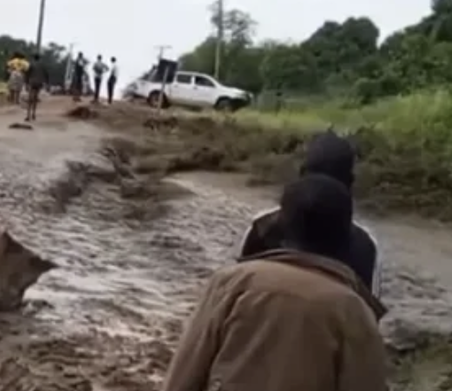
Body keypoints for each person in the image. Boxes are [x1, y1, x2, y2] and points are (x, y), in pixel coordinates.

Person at [161, 174, 388, 391]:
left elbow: (187, 369)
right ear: (347, 239)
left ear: (279, 227)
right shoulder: (354, 310)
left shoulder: (232, 282)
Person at [237, 130, 383, 302]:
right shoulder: (366, 245)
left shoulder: (261, 227)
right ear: (351, 182)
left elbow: (235, 287)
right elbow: (369, 315)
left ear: (301, 172)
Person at [24, 53, 47, 121]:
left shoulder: (31, 64)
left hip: (32, 82)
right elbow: (46, 74)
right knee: (35, 99)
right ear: (39, 58)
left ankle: (28, 115)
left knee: (30, 99)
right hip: (39, 83)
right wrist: (46, 82)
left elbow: (27, 74)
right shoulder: (42, 65)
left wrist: (26, 83)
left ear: (34, 58)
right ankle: (34, 114)